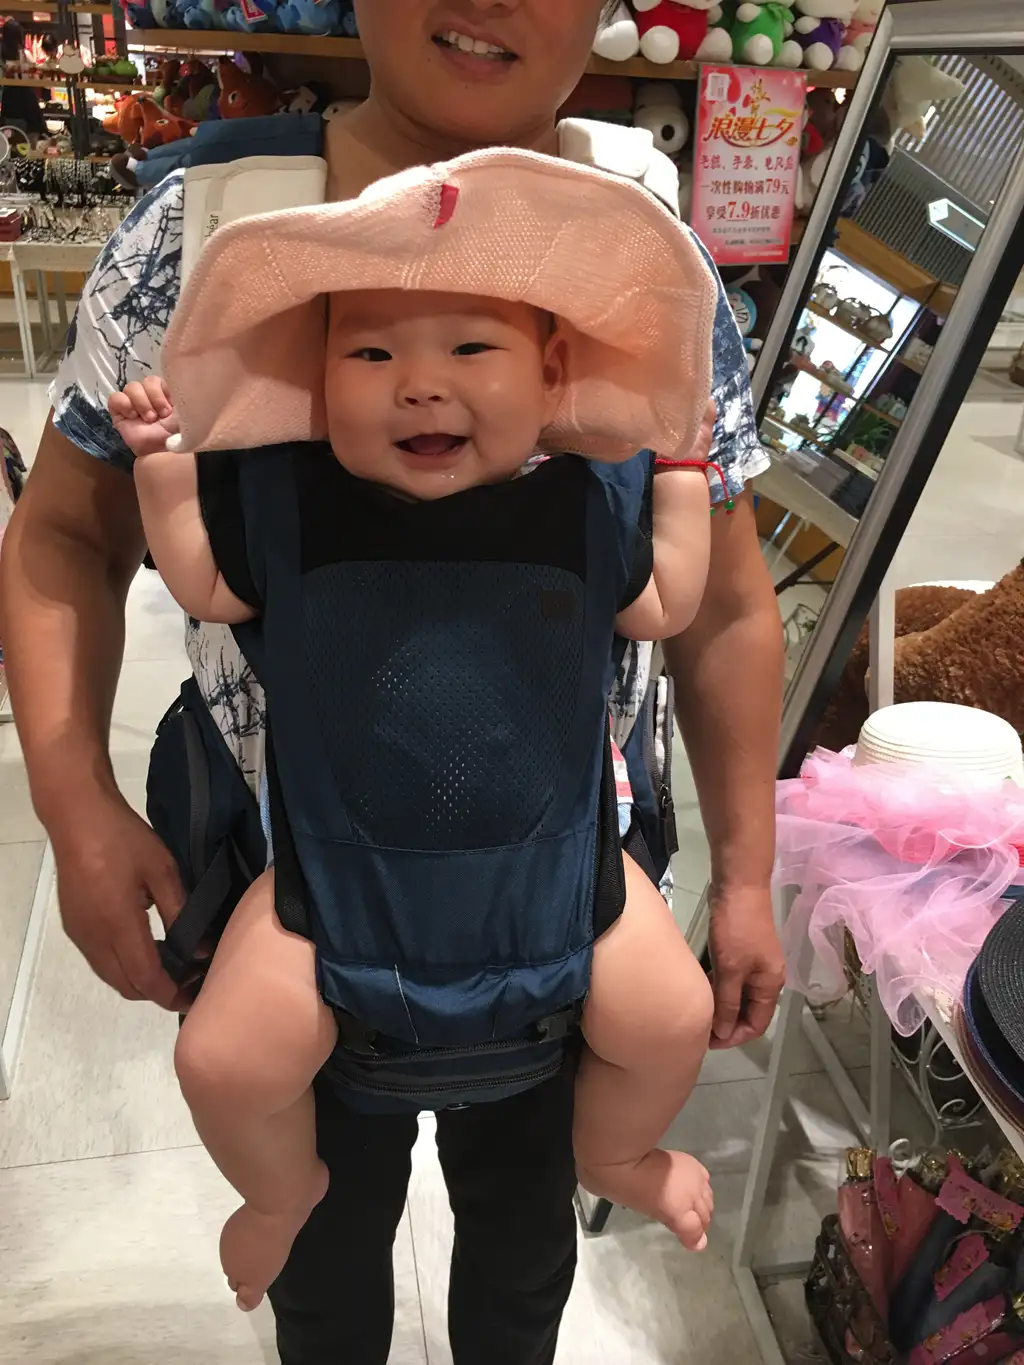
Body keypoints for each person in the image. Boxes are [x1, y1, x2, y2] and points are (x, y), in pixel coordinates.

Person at [0, 2, 785, 1360]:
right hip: (291, 884)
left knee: (523, 1253)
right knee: (321, 1264)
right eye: (368, 353)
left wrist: (753, 874)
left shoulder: (650, 253)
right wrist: (74, 806)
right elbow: (69, 529)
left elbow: (717, 596)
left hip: (561, 883)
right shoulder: (197, 232)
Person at [108, 149, 721, 1311]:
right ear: (315, 374)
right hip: (330, 896)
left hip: (561, 890)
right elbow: (204, 582)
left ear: (552, 372)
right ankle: (279, 1194)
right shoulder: (293, 505)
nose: (420, 388)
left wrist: (680, 470)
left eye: (471, 350)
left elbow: (665, 601)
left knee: (671, 1013)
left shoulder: (583, 505)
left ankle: (615, 1155)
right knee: (221, 1061)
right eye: (372, 355)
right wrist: (166, 470)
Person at [1, 19, 46, 140]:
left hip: (9, 99)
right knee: (32, 131)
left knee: (9, 134)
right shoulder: (25, 54)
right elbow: (36, 77)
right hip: (25, 97)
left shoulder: (4, 55)